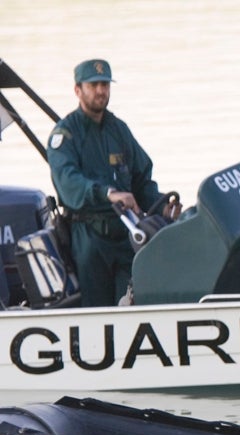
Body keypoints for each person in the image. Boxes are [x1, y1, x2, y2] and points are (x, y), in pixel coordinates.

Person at [46, 59, 179, 307]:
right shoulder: (64, 136)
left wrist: (162, 206)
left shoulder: (118, 130)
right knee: (97, 311)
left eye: (105, 84)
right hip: (89, 239)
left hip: (127, 235)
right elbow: (68, 182)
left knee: (133, 304)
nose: (101, 91)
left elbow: (142, 180)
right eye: (94, 85)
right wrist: (108, 194)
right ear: (78, 90)